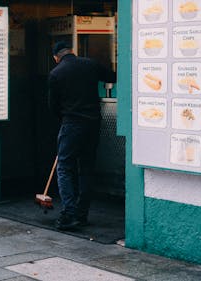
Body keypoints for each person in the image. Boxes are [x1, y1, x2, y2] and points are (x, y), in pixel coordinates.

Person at [48, 41, 116, 230]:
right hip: (93, 123)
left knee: (64, 167)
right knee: (86, 168)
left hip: (71, 124)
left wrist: (64, 119)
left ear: (56, 57)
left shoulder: (56, 73)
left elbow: (53, 106)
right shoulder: (90, 64)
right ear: (72, 52)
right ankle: (81, 213)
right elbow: (112, 76)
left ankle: (69, 214)